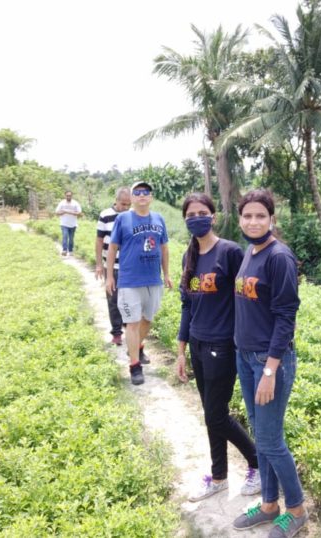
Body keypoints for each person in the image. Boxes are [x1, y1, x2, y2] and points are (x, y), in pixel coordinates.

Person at [231, 189, 308, 538]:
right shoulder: (250, 252)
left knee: (271, 440)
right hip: (245, 356)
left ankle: (295, 510)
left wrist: (270, 370)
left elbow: (285, 317)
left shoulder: (279, 257)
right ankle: (268, 505)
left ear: (271, 219)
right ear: (240, 219)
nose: (253, 221)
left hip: (267, 360)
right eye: (247, 216)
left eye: (260, 215)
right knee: (263, 438)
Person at [175, 193, 261, 502]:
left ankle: (257, 463)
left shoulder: (230, 252)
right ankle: (220, 476)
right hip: (197, 345)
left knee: (215, 415)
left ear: (212, 216)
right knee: (212, 413)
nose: (196, 217)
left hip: (222, 345)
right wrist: (182, 350)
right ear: (186, 219)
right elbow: (187, 305)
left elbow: (246, 299)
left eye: (202, 212)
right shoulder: (189, 256)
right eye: (190, 214)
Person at [106, 181, 172, 385]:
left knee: (148, 319)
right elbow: (113, 248)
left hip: (153, 280)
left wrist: (167, 274)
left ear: (151, 197)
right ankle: (134, 365)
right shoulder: (123, 219)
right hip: (129, 280)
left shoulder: (159, 219)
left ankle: (136, 347)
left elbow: (164, 248)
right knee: (132, 323)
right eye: (138, 192)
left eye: (146, 192)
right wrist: (109, 276)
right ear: (132, 198)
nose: (142, 195)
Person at [95, 187, 131, 346]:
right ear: (116, 200)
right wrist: (98, 265)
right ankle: (116, 332)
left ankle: (129, 330)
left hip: (129, 266)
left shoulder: (132, 216)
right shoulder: (105, 216)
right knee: (113, 300)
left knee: (129, 300)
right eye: (123, 204)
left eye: (128, 204)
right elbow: (99, 241)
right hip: (112, 266)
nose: (126, 207)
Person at [55, 190, 82, 256]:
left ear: (72, 196)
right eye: (67, 195)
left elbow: (80, 213)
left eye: (70, 196)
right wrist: (63, 212)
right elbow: (57, 212)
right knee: (65, 236)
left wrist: (67, 212)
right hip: (64, 224)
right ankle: (64, 250)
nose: (68, 197)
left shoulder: (75, 203)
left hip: (73, 224)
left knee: (71, 238)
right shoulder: (62, 203)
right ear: (65, 196)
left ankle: (70, 250)